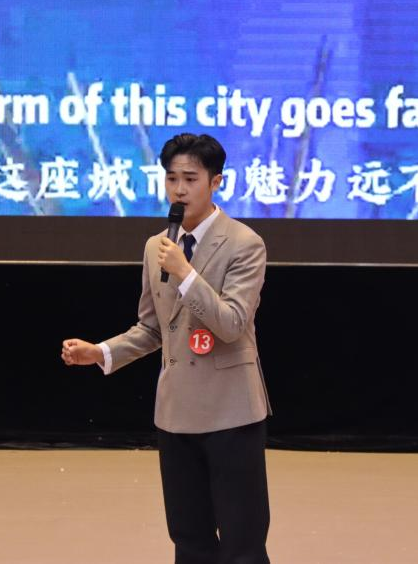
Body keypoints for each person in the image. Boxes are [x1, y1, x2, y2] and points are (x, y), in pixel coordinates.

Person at [61, 132, 272, 564]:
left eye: (190, 179)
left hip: (232, 412)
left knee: (242, 542)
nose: (179, 190)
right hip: (175, 413)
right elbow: (153, 327)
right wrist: (100, 352)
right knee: (188, 538)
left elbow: (232, 324)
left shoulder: (245, 243)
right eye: (171, 178)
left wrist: (185, 272)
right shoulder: (155, 246)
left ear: (215, 182)